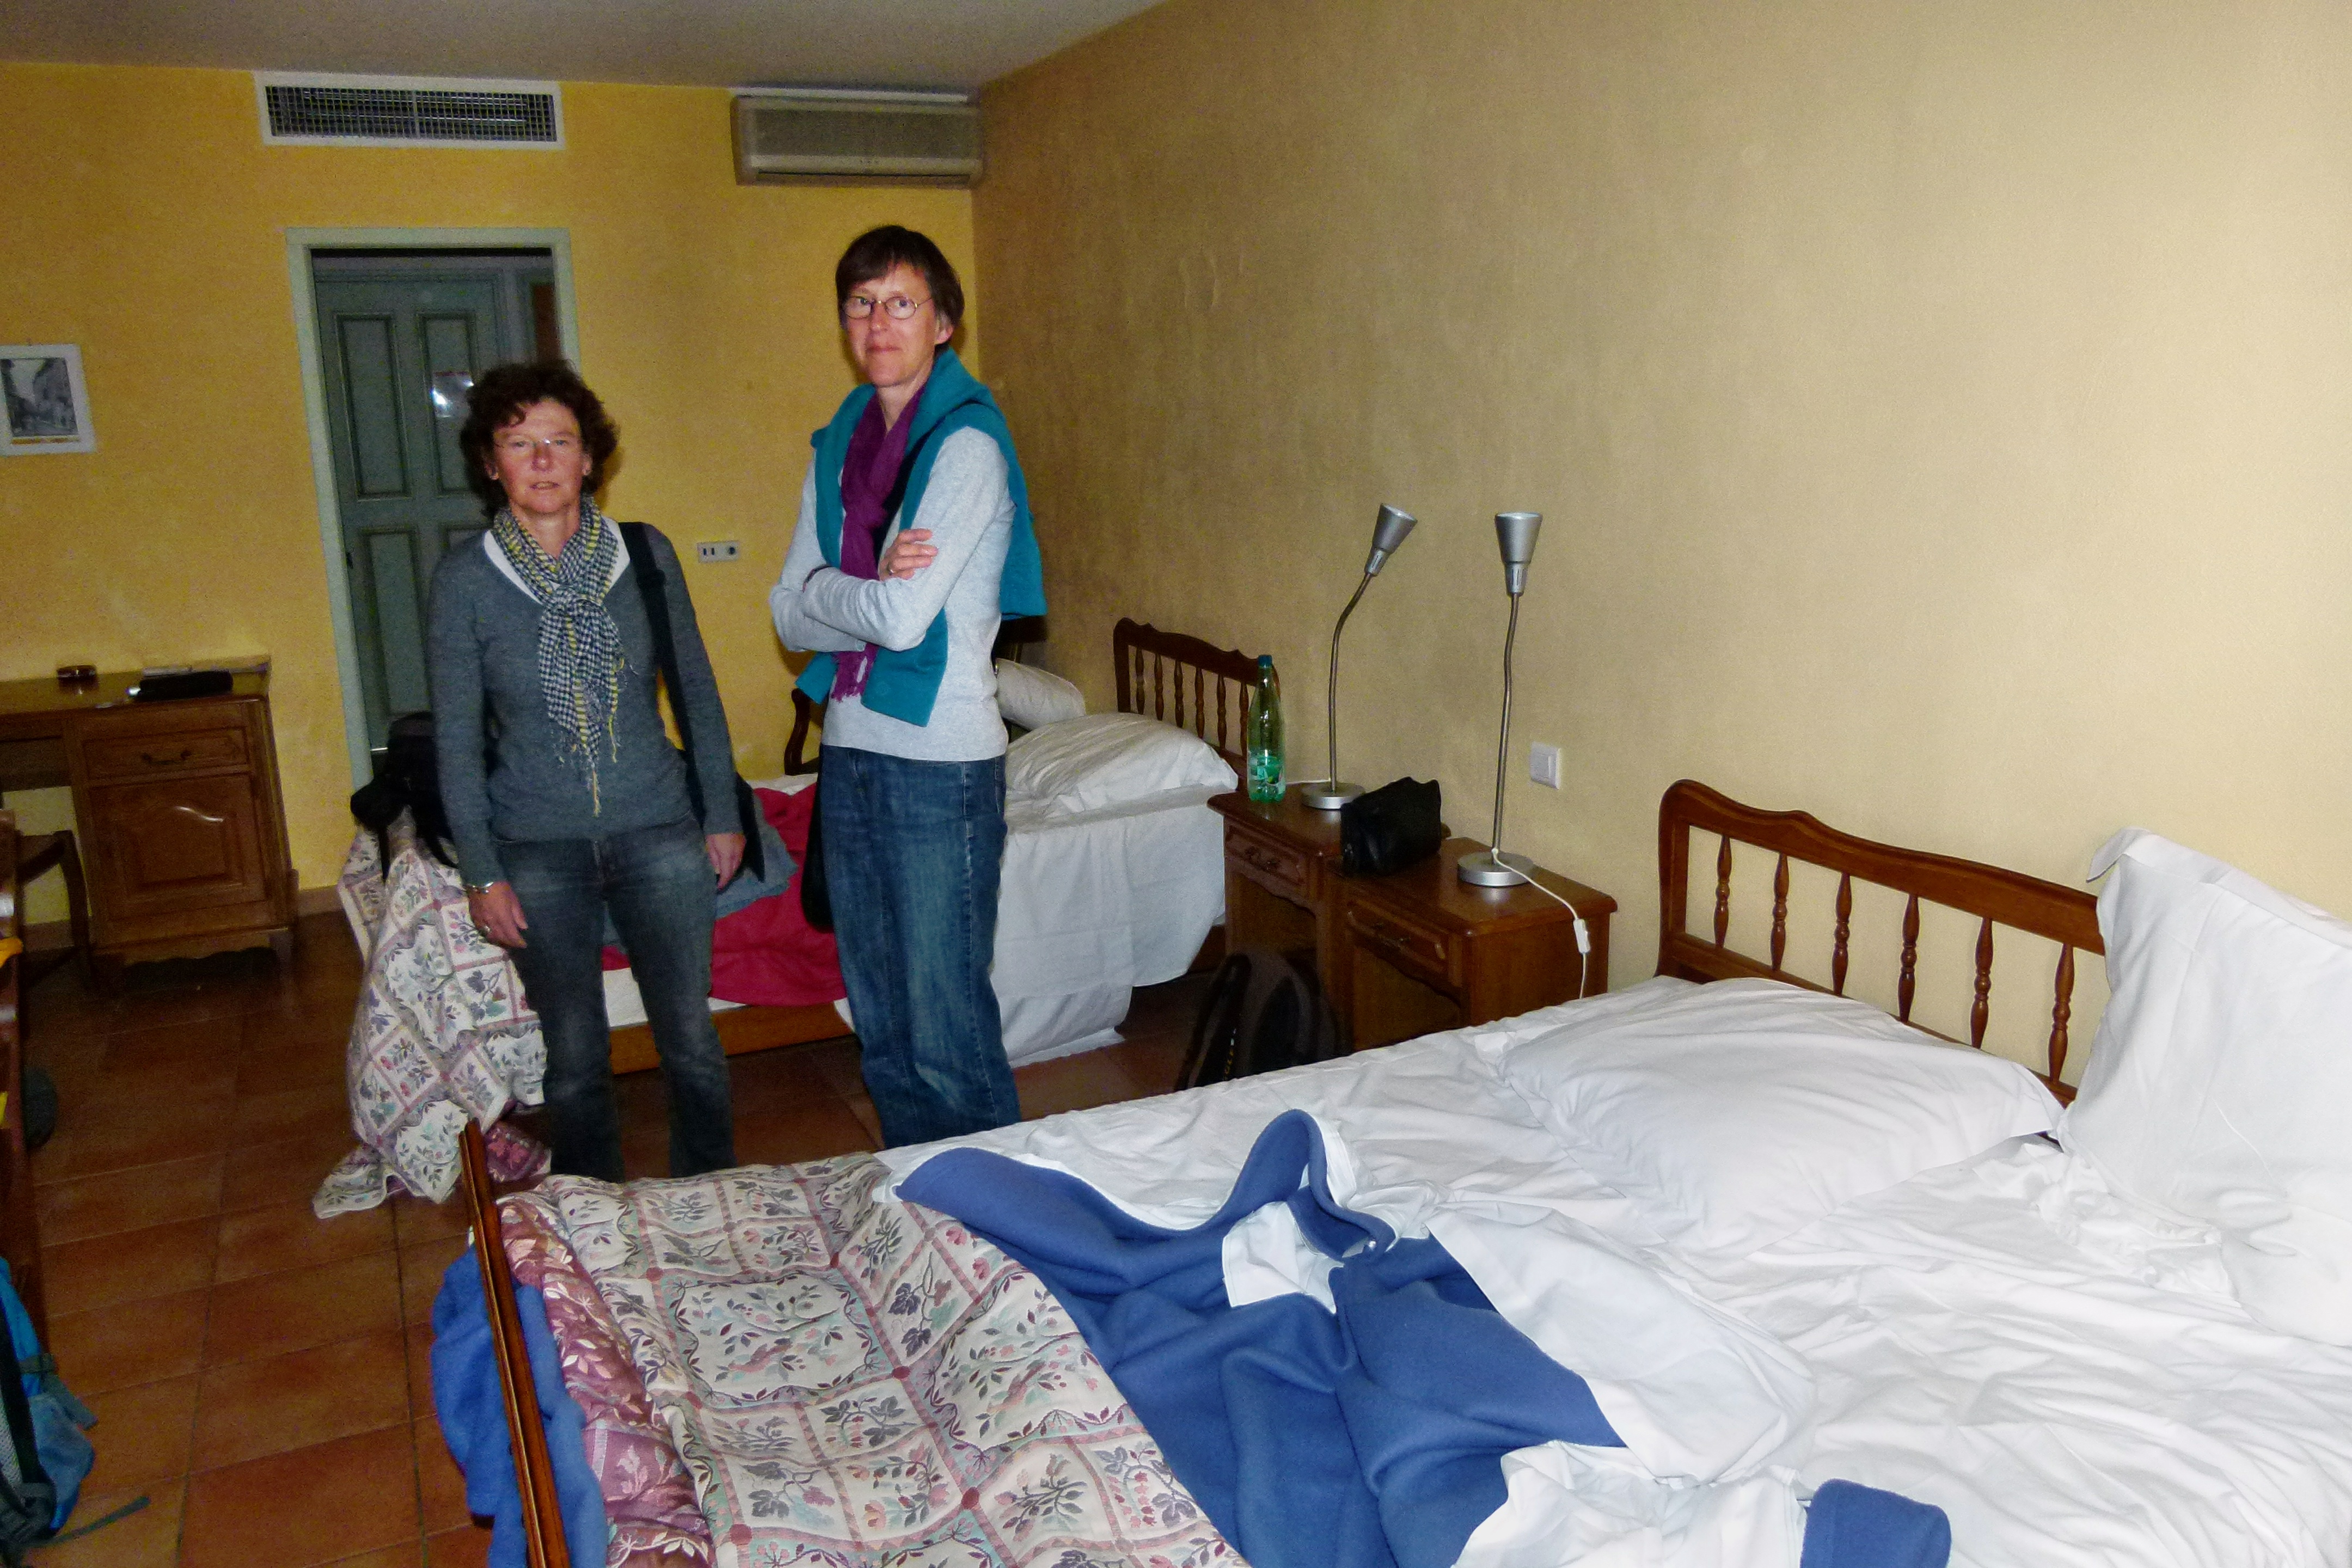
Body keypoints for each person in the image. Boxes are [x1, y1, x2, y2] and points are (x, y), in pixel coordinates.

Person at [427, 361, 745, 1182]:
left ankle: (709, 1195)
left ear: (589, 458)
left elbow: (696, 690)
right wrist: (482, 873)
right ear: (490, 464)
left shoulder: (644, 555)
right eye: (519, 444)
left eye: (560, 442)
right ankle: (590, 1212)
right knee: (572, 1060)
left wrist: (721, 813)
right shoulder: (465, 580)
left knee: (692, 1042)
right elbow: (455, 742)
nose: (542, 461)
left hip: (660, 832)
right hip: (537, 847)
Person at [769, 225, 1046, 1147]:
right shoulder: (837, 448)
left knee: (945, 1030)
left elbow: (900, 621)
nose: (878, 322)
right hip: (851, 752)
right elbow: (787, 616)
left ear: (943, 324)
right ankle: (921, 1199)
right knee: (883, 1027)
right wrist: (863, 582)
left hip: (940, 766)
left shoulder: (967, 447)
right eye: (861, 304)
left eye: (901, 303)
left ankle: (996, 1214)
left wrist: (834, 588)